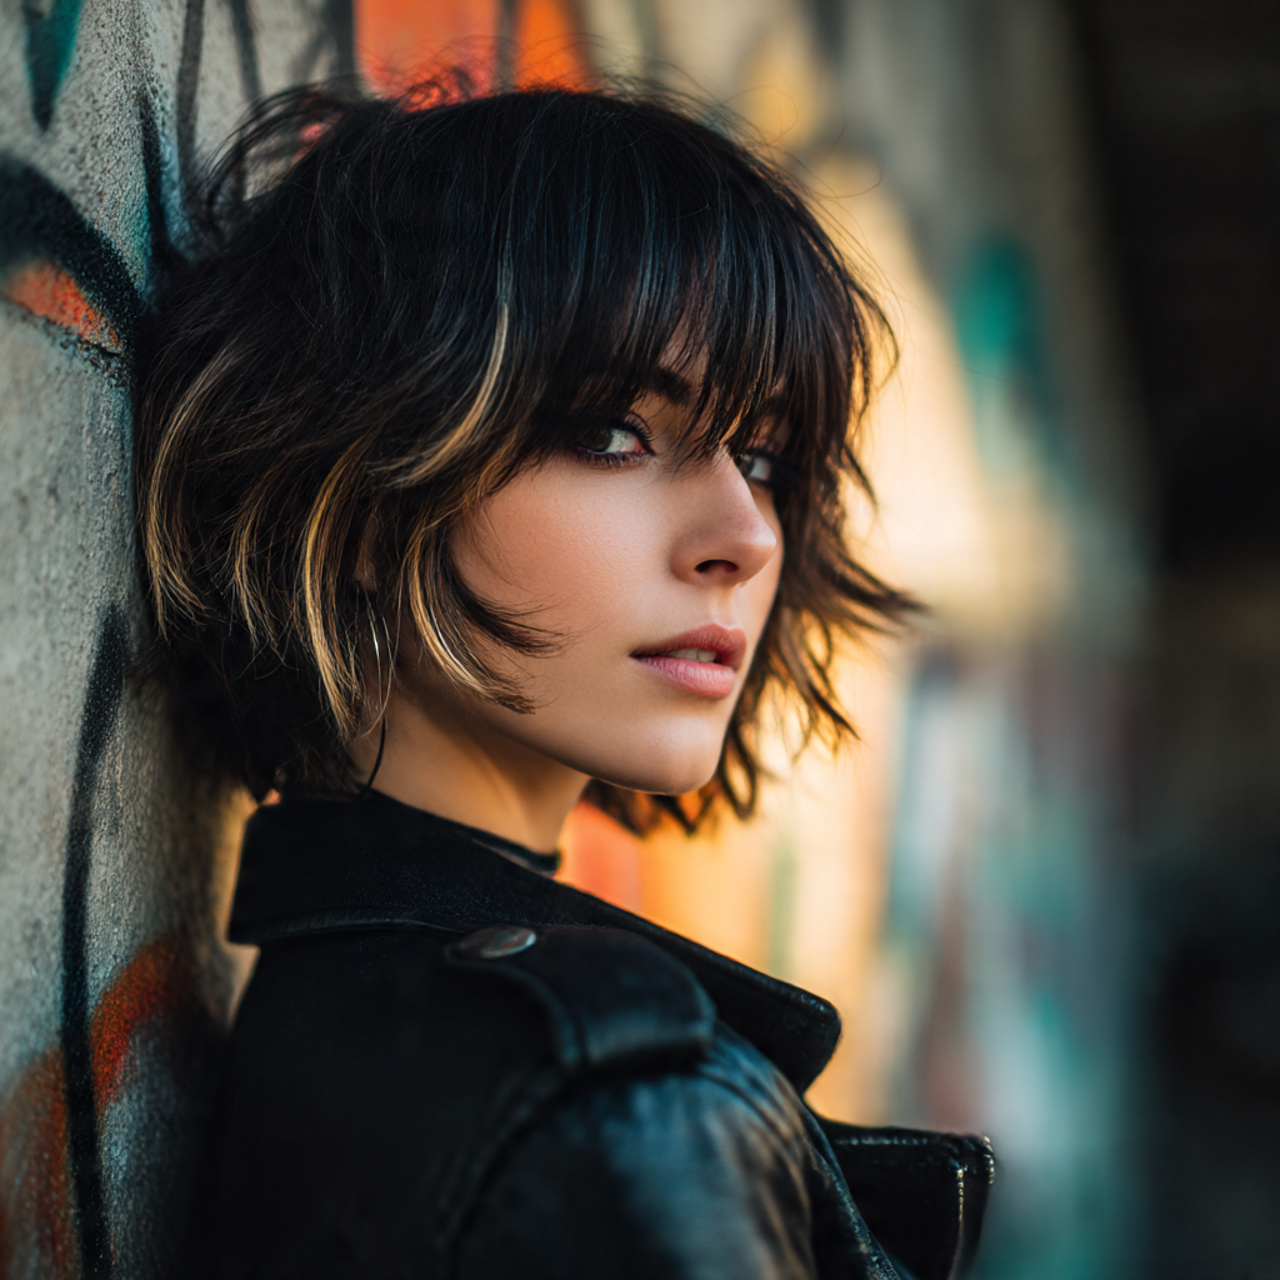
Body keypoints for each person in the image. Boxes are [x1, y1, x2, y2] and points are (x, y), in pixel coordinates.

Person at [134, 80, 993, 1279]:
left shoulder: (340, 1004)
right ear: (374, 490)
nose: (742, 535)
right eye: (612, 433)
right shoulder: (622, 1115)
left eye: (762, 455)